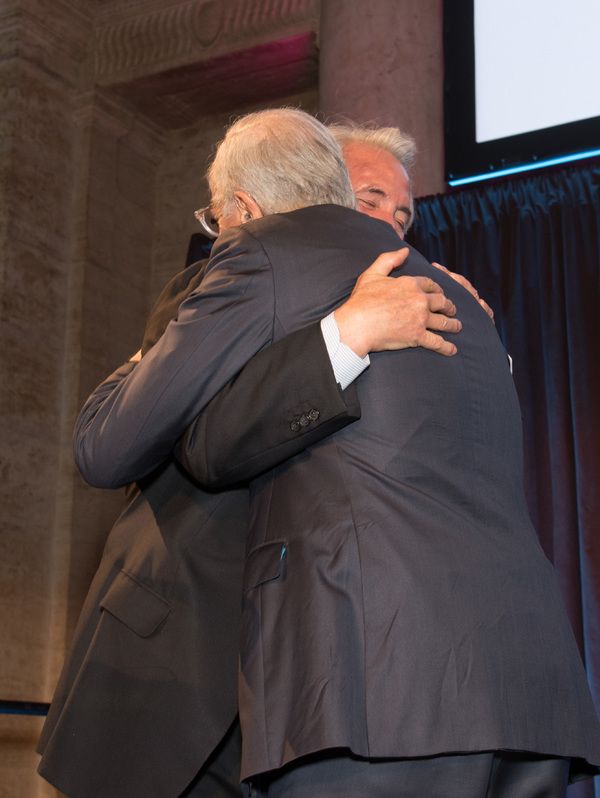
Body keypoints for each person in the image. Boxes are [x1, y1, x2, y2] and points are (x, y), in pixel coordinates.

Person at [60, 108, 600, 796]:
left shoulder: (394, 288)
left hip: (365, 682)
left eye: (403, 215)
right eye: (366, 199)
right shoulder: (439, 303)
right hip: (503, 689)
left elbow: (196, 447)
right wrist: (342, 333)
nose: (384, 225)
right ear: (322, 191)